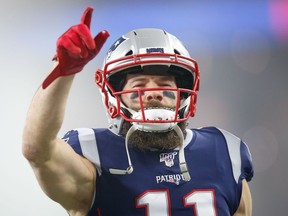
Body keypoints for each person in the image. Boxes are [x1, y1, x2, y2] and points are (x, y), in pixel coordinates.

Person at [22, 6, 254, 216]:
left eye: (164, 84)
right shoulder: (92, 153)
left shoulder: (224, 152)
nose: (153, 93)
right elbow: (36, 149)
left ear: (183, 94)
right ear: (114, 95)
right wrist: (63, 71)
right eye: (139, 85)